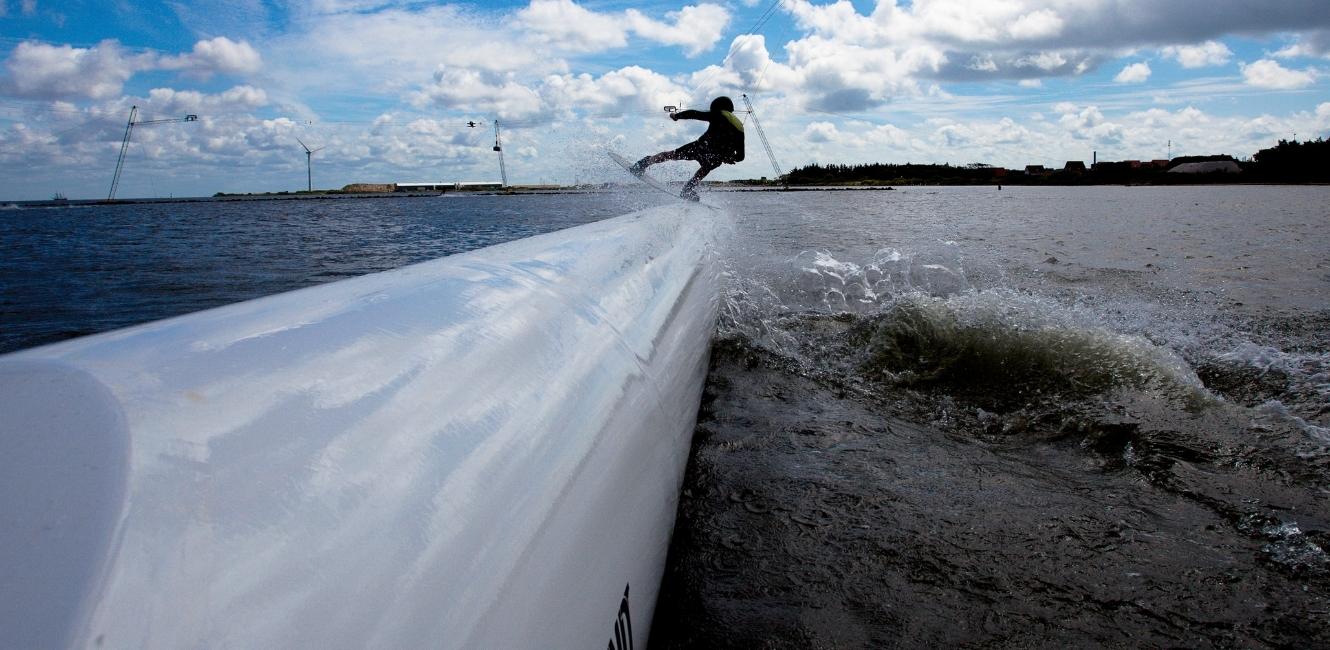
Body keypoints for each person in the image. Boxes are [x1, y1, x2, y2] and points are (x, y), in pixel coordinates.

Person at [631, 96, 745, 201]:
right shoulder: (740, 127)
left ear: (716, 107)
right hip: (715, 157)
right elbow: (740, 157)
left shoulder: (719, 114)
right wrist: (729, 158)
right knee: (705, 169)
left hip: (700, 147)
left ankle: (643, 164)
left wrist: (677, 116)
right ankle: (688, 189)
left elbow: (694, 113)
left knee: (672, 155)